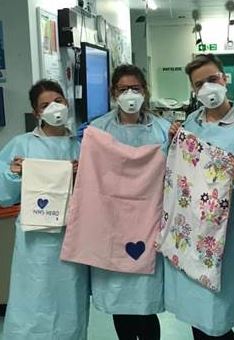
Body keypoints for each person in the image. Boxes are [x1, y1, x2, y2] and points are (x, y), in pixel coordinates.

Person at [165, 54, 234, 339]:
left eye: (212, 79)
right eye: (199, 84)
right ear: (194, 92)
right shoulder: (190, 126)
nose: (208, 88)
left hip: (225, 242)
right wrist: (173, 143)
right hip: (189, 239)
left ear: (225, 78)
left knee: (218, 324)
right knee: (198, 321)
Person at [0, 80, 90, 340]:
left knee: (68, 304)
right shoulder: (22, 145)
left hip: (71, 241)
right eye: (45, 105)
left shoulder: (82, 147)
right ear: (36, 112)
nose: (54, 108)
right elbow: (4, 196)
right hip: (34, 245)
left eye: (59, 101)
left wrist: (82, 173)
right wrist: (13, 174)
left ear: (67, 103)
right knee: (33, 302)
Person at [89, 64, 170, 340]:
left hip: (150, 223)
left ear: (145, 91)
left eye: (135, 88)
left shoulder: (163, 130)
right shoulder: (97, 130)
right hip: (112, 224)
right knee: (120, 303)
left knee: (145, 304)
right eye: (123, 89)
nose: (130, 94)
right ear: (114, 93)